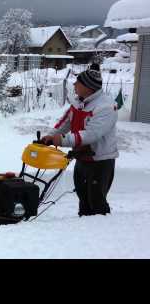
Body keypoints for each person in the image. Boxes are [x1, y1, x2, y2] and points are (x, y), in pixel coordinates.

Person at [42, 66, 119, 216]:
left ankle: (104, 229)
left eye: (78, 82)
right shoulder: (79, 102)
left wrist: (62, 140)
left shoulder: (106, 107)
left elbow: (91, 134)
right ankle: (84, 228)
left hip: (100, 161)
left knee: (96, 200)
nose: (74, 85)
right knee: (83, 197)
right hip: (82, 157)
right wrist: (51, 136)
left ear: (88, 87)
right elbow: (65, 122)